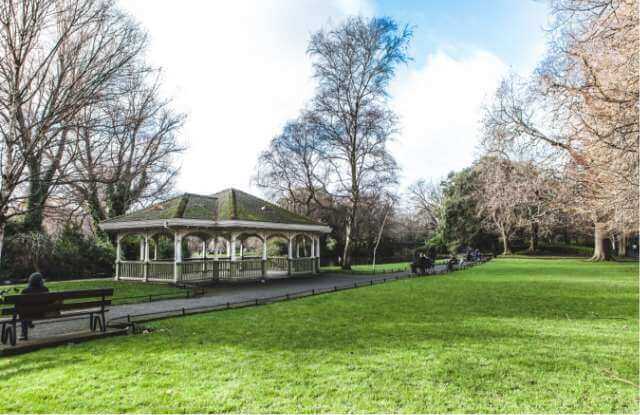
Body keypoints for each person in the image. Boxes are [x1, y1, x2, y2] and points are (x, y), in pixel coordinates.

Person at [19, 272, 49, 340]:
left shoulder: (25, 291)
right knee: (26, 311)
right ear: (40, 280)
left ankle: (23, 334)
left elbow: (19, 304)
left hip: (28, 314)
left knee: (23, 312)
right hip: (42, 313)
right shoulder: (45, 289)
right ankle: (29, 322)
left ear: (30, 280)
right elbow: (48, 302)